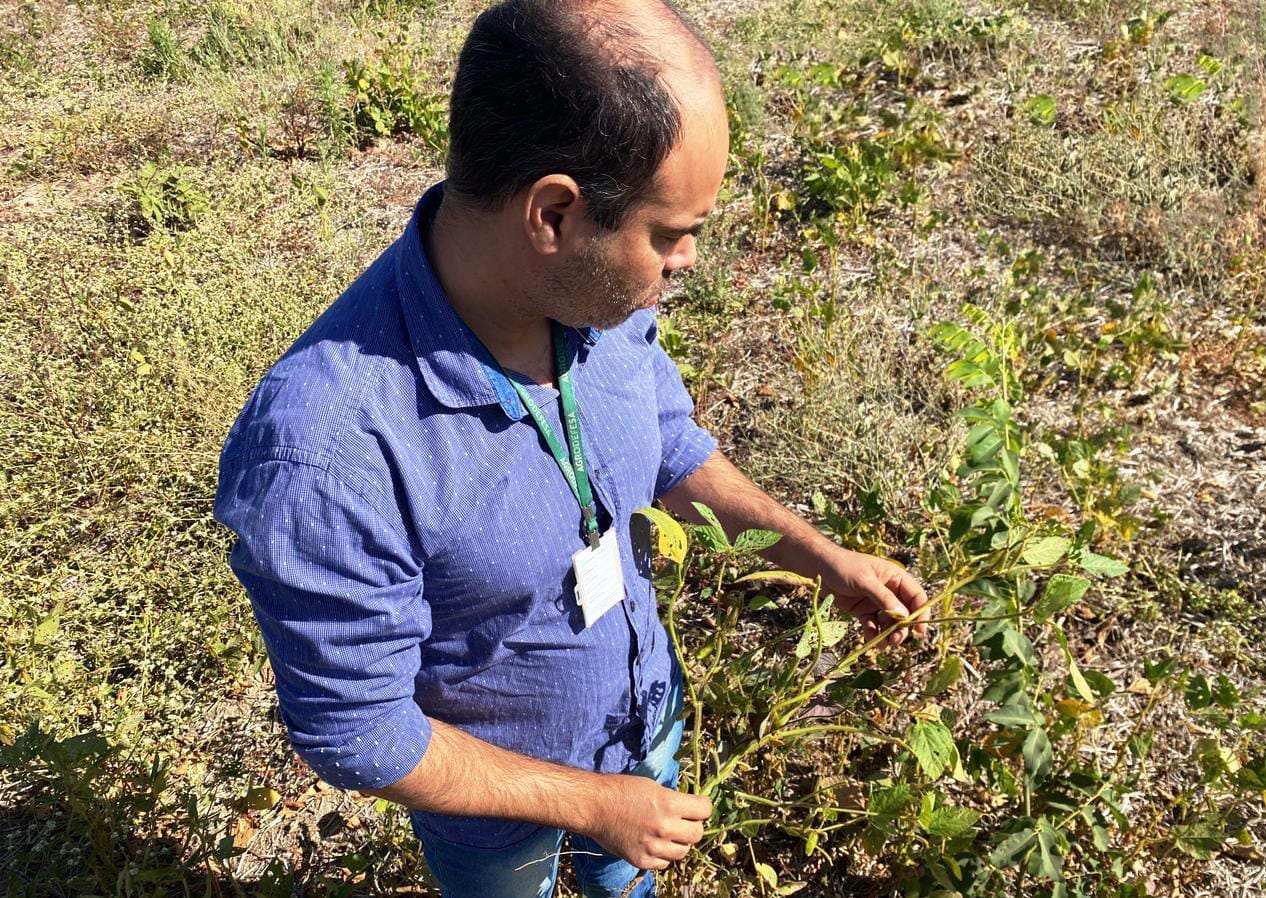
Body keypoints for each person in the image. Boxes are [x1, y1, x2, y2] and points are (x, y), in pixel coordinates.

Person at [212, 1, 930, 896]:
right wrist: (594, 806)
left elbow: (668, 446)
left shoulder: (600, 299)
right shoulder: (326, 454)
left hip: (642, 728)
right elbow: (362, 733)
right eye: (671, 234)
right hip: (496, 818)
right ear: (552, 215)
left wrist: (821, 558)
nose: (688, 262)